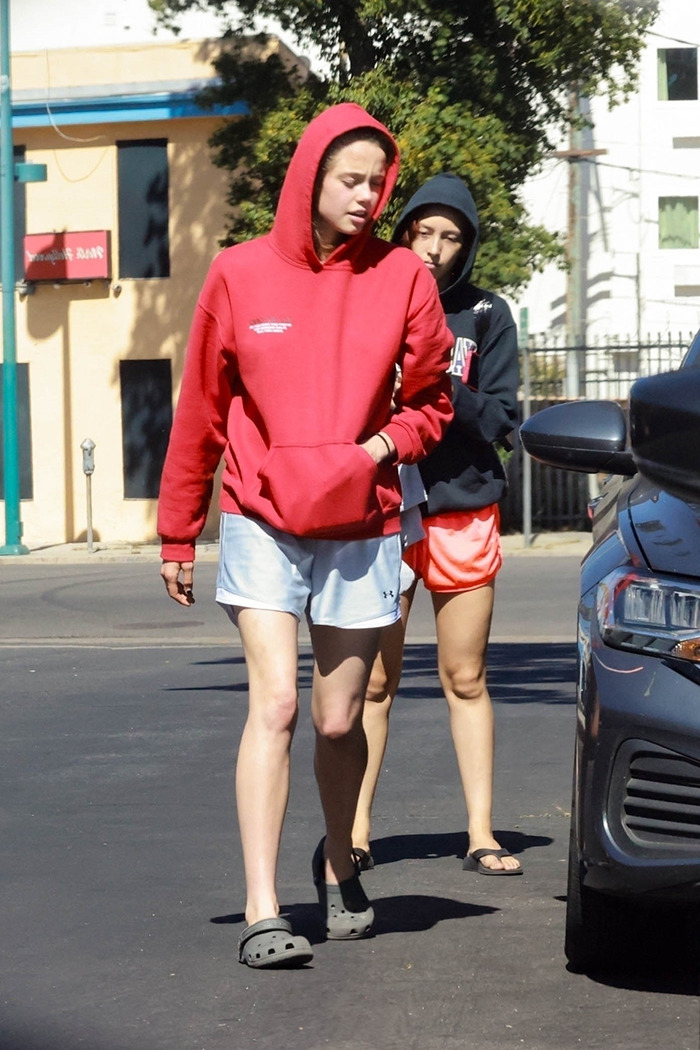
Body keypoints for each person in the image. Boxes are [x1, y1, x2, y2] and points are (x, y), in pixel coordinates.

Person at [157, 105, 454, 969]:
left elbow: (433, 402)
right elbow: (202, 414)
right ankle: (260, 906)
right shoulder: (239, 275)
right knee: (276, 706)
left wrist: (376, 450)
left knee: (335, 718)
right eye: (351, 180)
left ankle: (337, 860)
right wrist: (179, 530)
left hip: (359, 521)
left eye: (377, 182)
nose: (368, 197)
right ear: (310, 181)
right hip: (259, 516)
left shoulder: (403, 277)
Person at [350, 172, 522, 876]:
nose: (435, 248)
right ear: (405, 231)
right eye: (424, 232)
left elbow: (503, 420)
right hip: (384, 509)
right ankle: (353, 833)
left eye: (452, 237)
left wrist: (440, 380)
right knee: (372, 685)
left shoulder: (487, 314)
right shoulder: (371, 297)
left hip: (462, 506)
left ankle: (480, 833)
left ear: (467, 245)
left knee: (466, 676)